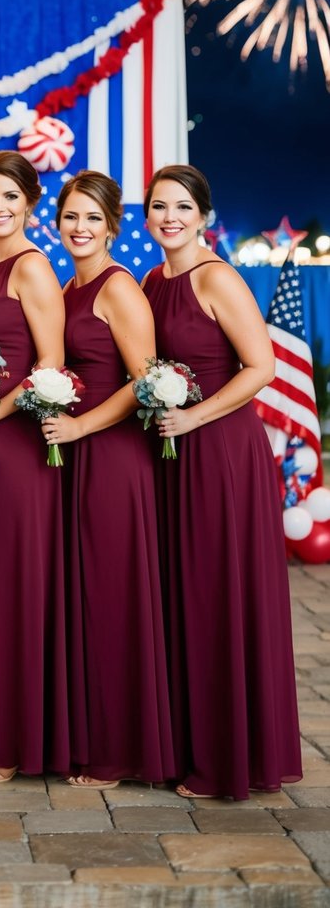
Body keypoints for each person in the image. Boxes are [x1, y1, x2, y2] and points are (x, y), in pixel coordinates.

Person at [142, 164, 302, 800]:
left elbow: (260, 367)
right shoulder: (154, 280)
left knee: (215, 594)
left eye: (183, 206)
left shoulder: (217, 278)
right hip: (171, 451)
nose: (170, 217)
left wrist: (193, 416)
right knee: (181, 594)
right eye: (159, 207)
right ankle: (186, 743)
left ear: (204, 215)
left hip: (220, 451)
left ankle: (227, 756)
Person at [42, 170, 174, 789]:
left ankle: (121, 752)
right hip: (74, 452)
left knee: (114, 597)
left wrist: (80, 427)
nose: (79, 227)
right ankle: (89, 736)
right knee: (85, 596)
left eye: (92, 218)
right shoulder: (69, 284)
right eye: (71, 216)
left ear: (114, 226)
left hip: (114, 454)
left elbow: (146, 379)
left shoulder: (119, 287)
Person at [0, 150, 69, 784]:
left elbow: (51, 363)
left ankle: (19, 743)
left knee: (17, 585)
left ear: (29, 202)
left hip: (18, 445)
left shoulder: (32, 268)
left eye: (10, 197)